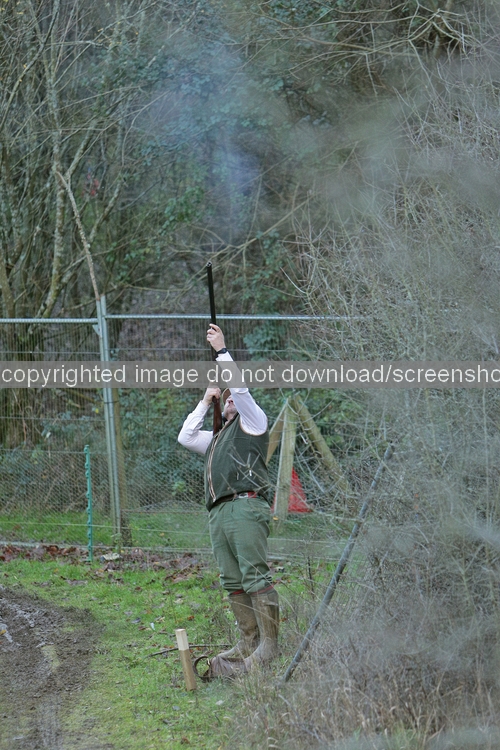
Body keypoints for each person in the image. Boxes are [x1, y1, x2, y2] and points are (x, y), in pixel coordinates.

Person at [178, 323, 279, 672]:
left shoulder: (254, 422)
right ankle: (248, 641)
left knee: (255, 576)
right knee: (233, 581)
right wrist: (205, 401)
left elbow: (240, 387)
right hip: (219, 513)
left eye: (233, 396)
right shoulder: (217, 438)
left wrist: (221, 351)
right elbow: (186, 436)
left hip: (245, 505)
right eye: (227, 397)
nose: (231, 397)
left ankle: (269, 647)